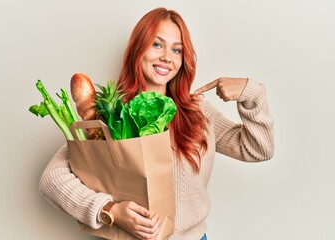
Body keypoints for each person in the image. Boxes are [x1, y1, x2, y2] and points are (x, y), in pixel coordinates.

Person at [39, 7, 274, 240]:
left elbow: (257, 149)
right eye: (157, 44)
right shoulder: (112, 116)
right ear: (137, 49)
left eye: (177, 50)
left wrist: (250, 94)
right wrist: (110, 210)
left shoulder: (198, 113)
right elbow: (52, 179)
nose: (167, 57)